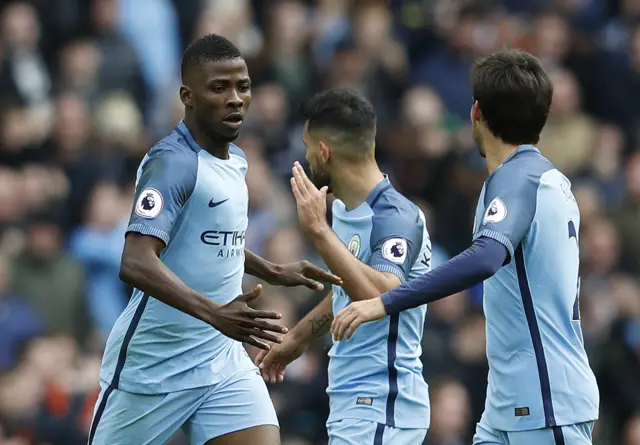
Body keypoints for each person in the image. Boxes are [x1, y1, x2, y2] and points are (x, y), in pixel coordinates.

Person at [331, 50, 600, 444]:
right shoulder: (539, 178)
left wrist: (386, 301)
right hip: (511, 402)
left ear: (477, 112)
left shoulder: (516, 180)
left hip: (545, 400)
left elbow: (487, 257)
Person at [88, 34, 341, 445]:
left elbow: (205, 239)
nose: (235, 98)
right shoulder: (172, 163)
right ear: (188, 96)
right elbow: (135, 261)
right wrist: (214, 313)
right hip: (153, 367)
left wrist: (272, 270)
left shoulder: (235, 161)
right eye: (219, 87)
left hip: (220, 358)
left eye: (242, 87)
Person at [256, 88, 432, 444]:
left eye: (307, 147)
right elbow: (347, 289)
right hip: (356, 402)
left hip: (384, 402)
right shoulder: (343, 209)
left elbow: (381, 297)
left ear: (325, 152)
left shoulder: (396, 218)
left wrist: (319, 232)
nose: (305, 157)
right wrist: (299, 337)